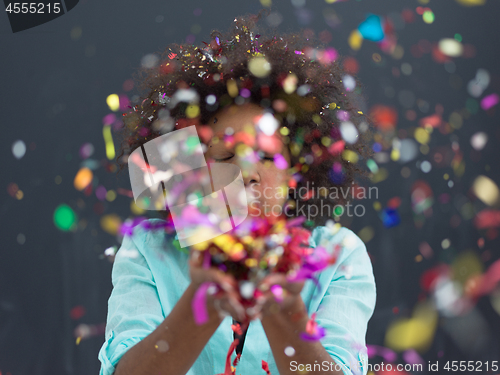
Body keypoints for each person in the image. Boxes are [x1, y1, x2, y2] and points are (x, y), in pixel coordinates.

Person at [98, 10, 377, 375]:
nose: (247, 175)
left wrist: (286, 317)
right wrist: (202, 303)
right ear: (190, 172)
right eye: (226, 155)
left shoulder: (338, 256)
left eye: (266, 155)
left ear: (298, 169)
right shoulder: (148, 251)